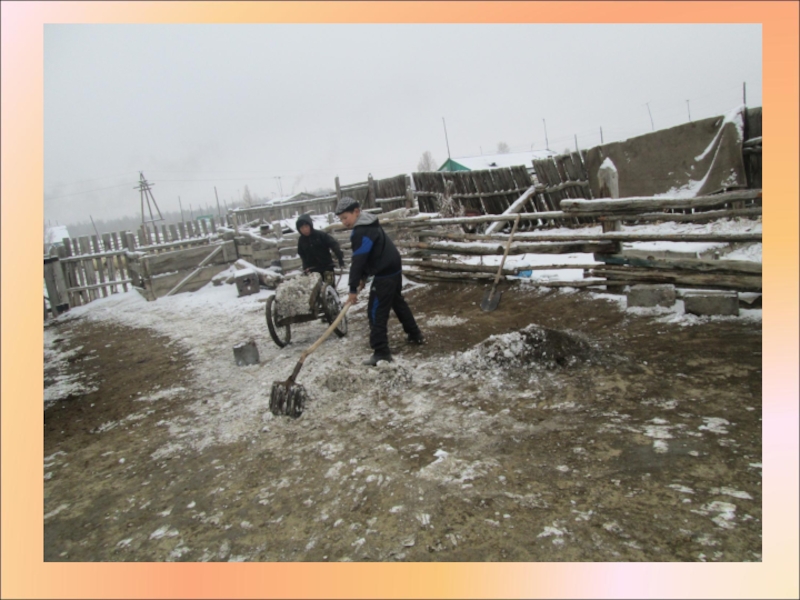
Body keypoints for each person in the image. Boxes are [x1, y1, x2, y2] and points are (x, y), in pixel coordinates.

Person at [334, 196, 425, 366]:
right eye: (341, 219)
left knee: (375, 311)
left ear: (356, 211)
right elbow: (370, 254)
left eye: (345, 217)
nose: (344, 222)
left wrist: (352, 289)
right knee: (397, 302)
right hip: (393, 267)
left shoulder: (361, 231)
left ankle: (381, 352)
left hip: (385, 273)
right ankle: (415, 334)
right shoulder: (369, 223)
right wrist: (363, 278)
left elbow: (358, 260)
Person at [296, 213, 345, 287]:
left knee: (330, 287)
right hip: (313, 271)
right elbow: (302, 254)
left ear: (310, 225)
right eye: (302, 228)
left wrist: (340, 257)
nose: (305, 230)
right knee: (316, 290)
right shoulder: (301, 240)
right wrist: (305, 266)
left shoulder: (321, 235)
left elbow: (334, 244)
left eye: (306, 226)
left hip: (327, 268)